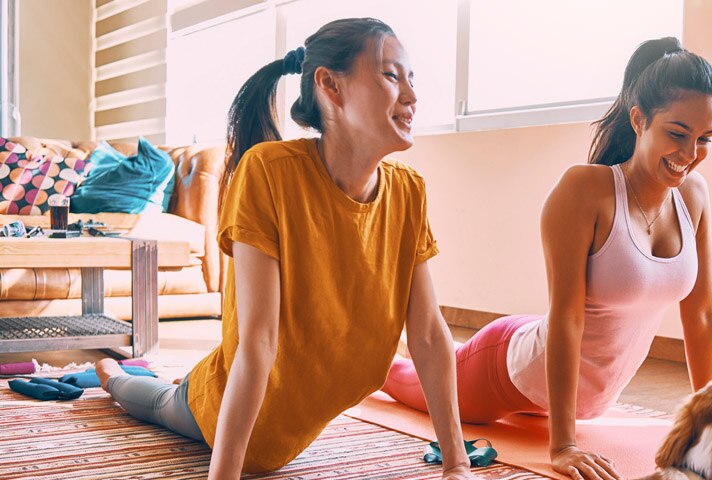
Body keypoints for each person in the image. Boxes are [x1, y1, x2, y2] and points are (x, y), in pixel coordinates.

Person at [94, 18, 479, 480]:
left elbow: (431, 335)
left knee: (176, 387)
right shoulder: (268, 172)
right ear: (330, 87)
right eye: (392, 76)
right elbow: (258, 340)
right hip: (224, 416)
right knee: (155, 401)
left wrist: (457, 465)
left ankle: (153, 376)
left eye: (411, 79)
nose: (412, 96)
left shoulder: (408, 192)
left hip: (287, 427)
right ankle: (113, 377)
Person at [382, 36, 712, 480]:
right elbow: (567, 319)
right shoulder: (586, 190)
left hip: (574, 396)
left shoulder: (693, 197)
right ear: (639, 119)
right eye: (677, 134)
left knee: (423, 360)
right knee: (394, 376)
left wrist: (711, 423)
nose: (690, 154)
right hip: (515, 368)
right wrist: (563, 445)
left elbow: (701, 316)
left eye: (705, 139)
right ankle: (363, 339)